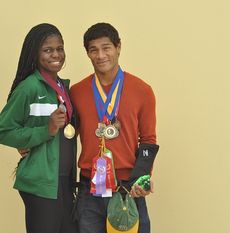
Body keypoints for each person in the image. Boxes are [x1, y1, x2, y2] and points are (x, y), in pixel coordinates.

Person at [70, 22, 159, 233]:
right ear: (88, 54)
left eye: (106, 47)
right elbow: (67, 135)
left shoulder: (142, 91)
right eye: (94, 50)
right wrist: (29, 144)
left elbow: (148, 140)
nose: (101, 55)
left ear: (118, 47)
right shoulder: (77, 91)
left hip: (128, 187)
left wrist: (142, 180)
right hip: (89, 189)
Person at [0, 23, 77, 233]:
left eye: (60, 48)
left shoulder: (63, 87)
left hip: (64, 182)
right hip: (41, 184)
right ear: (35, 53)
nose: (56, 54)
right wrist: (46, 130)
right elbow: (4, 130)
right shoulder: (29, 87)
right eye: (48, 49)